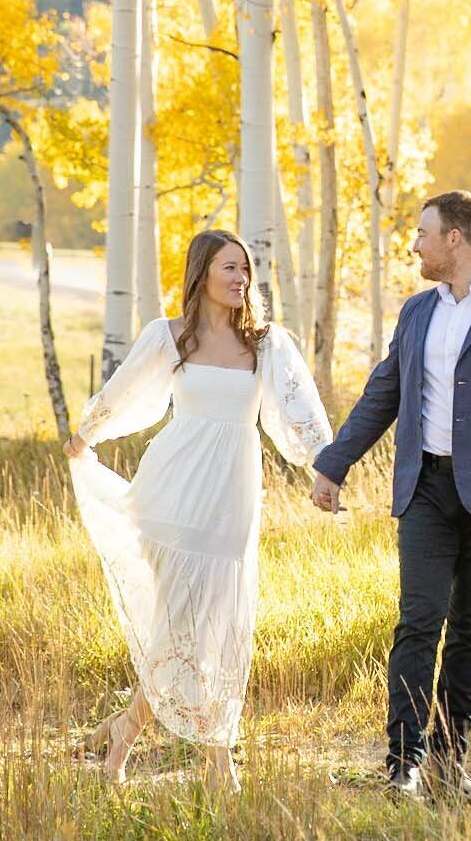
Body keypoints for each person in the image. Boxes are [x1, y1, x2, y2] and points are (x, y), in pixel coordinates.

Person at [309, 189, 471, 799]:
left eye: (423, 233)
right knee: (417, 621)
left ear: (455, 238)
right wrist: (334, 464)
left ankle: (451, 767)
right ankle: (403, 763)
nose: (415, 245)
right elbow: (383, 392)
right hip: (426, 487)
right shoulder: (417, 311)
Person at [65, 230, 332, 791]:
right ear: (202, 274)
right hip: (171, 490)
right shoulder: (169, 336)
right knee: (186, 625)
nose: (240, 279)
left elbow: (300, 413)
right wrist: (87, 434)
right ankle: (217, 763)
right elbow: (125, 392)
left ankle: (124, 733)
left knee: (209, 625)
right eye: (229, 268)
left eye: (246, 270)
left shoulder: (267, 344)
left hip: (231, 498)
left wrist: (324, 467)